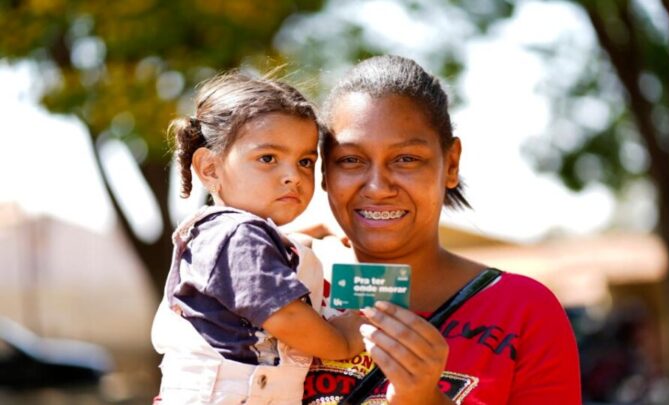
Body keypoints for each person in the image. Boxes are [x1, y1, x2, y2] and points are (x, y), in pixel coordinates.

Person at [302, 55, 582, 404]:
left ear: (451, 164)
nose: (377, 186)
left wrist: (426, 399)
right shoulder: (279, 290)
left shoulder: (523, 311)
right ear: (325, 172)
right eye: (350, 160)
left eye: (406, 159)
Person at [150, 71, 365, 405]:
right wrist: (345, 340)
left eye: (305, 161)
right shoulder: (238, 235)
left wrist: (314, 232)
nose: (293, 176)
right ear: (209, 168)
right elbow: (287, 317)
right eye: (268, 158)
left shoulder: (224, 235)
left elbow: (261, 263)